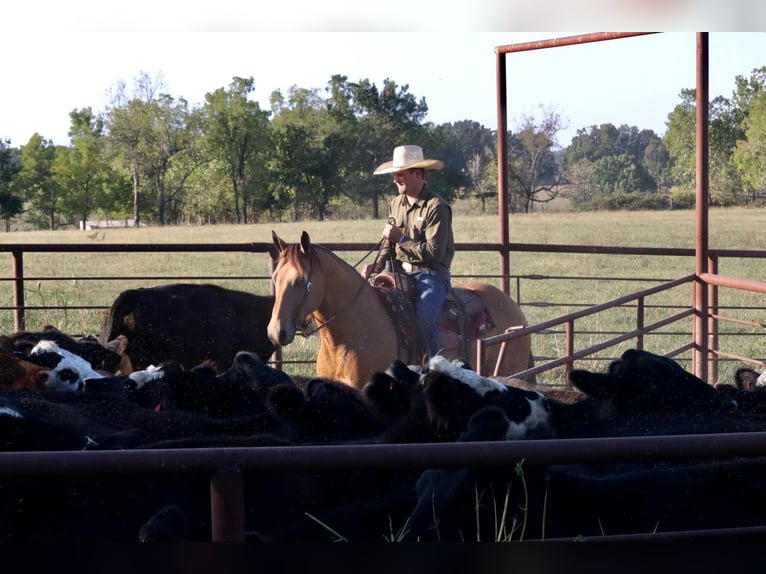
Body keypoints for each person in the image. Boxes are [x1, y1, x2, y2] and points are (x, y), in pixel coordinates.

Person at [363, 144, 455, 359]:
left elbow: (434, 253)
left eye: (401, 175)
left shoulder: (436, 207)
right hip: (399, 272)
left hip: (431, 275)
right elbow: (389, 240)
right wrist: (377, 266)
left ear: (417, 173)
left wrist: (401, 239)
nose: (396, 180)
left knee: (424, 319)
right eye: (395, 175)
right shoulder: (396, 203)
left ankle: (436, 366)